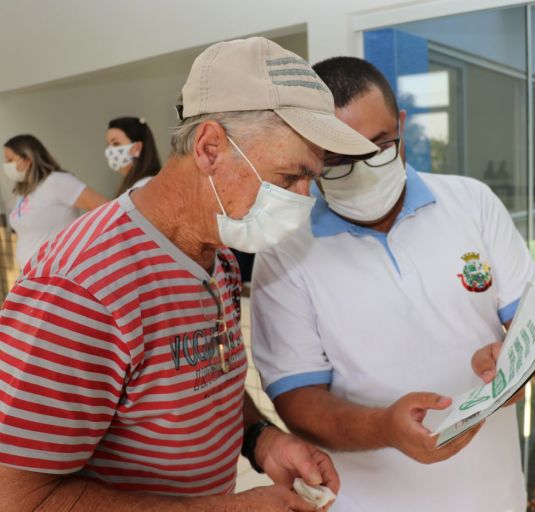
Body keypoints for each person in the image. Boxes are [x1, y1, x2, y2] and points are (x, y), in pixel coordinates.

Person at [0, 37, 378, 512]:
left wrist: (262, 440)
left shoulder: (214, 253)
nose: (305, 200)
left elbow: (200, 380)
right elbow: (19, 499)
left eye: (311, 181)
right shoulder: (83, 287)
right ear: (209, 147)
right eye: (288, 178)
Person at [249, 56, 535, 512]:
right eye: (339, 159)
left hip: (496, 495)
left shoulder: (472, 203)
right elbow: (297, 399)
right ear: (309, 154)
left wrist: (524, 355)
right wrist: (385, 427)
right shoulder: (284, 253)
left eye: (380, 145)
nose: (365, 170)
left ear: (401, 125)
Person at [3, 134, 108, 268]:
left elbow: (104, 207)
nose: (6, 165)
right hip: (30, 276)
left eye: (10, 159)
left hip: (56, 274)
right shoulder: (24, 190)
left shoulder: (57, 181)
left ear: (28, 159)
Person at [106, 116, 163, 195]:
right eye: (108, 144)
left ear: (137, 148)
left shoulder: (144, 186)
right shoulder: (133, 185)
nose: (109, 150)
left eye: (116, 143)